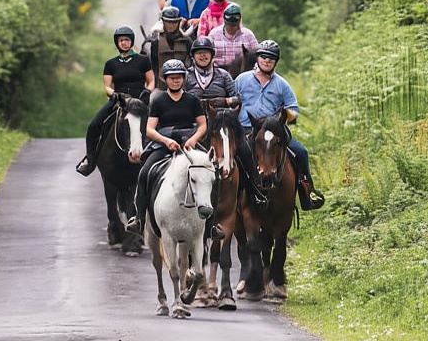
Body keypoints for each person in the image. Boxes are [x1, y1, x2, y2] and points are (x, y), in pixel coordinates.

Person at [233, 39, 325, 210]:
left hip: (274, 130)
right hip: (246, 128)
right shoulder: (241, 80)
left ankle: (307, 193)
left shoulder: (282, 84)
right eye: (264, 57)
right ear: (257, 59)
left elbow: (294, 110)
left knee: (301, 152)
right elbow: (232, 102)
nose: (267, 60)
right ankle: (223, 201)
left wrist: (280, 119)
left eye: (271, 58)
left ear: (276, 61)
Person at [186, 36, 265, 206]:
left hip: (222, 121)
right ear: (193, 56)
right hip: (195, 124)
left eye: (206, 53)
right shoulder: (186, 76)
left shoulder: (224, 75)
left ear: (212, 55)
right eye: (199, 53)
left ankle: (255, 190)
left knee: (244, 148)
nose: (203, 56)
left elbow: (237, 98)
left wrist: (221, 102)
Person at [134, 59, 208, 227]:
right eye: (171, 77)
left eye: (179, 77)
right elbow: (150, 129)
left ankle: (212, 222)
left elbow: (203, 125)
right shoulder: (159, 100)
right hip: (165, 143)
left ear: (184, 78)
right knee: (144, 173)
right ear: (165, 79)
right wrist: (166, 141)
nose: (175, 80)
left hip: (189, 144)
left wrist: (193, 139)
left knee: (211, 171)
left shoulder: (193, 100)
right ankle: (139, 218)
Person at [76, 26, 153, 176]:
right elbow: (107, 87)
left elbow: (151, 81)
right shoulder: (111, 64)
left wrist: (147, 92)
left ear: (132, 41)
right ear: (117, 43)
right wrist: (115, 94)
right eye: (121, 40)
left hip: (140, 100)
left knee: (158, 122)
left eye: (127, 40)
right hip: (119, 100)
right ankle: (90, 159)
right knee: (94, 125)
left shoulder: (143, 61)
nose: (124, 43)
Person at [146, 5, 192, 87]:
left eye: (174, 22)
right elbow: (151, 66)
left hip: (183, 85)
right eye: (168, 22)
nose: (171, 25)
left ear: (179, 22)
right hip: (160, 86)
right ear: (162, 22)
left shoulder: (187, 41)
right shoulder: (155, 41)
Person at [209, 2, 257, 77]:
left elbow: (257, 55)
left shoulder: (248, 35)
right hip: (217, 73)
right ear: (224, 21)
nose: (231, 27)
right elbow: (207, 55)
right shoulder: (214, 34)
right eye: (229, 24)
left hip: (242, 73)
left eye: (233, 25)